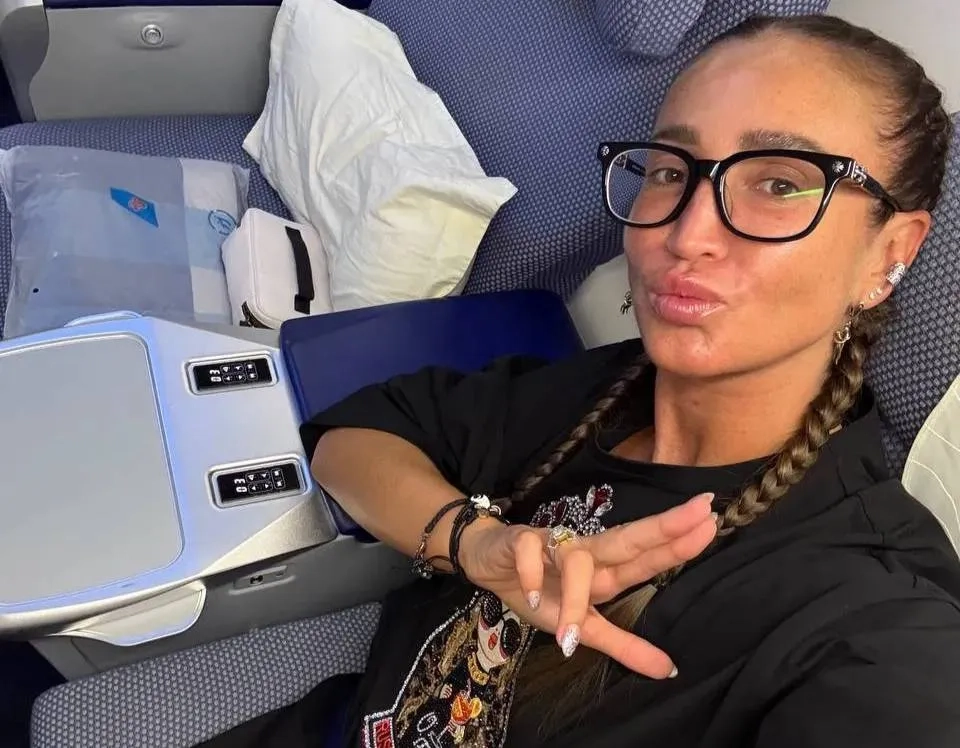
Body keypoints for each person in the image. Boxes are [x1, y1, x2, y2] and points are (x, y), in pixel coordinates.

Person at [202, 13, 960, 748]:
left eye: (781, 183)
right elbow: (354, 435)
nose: (686, 232)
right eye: (671, 171)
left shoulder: (873, 615)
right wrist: (475, 544)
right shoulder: (610, 390)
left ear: (888, 253)